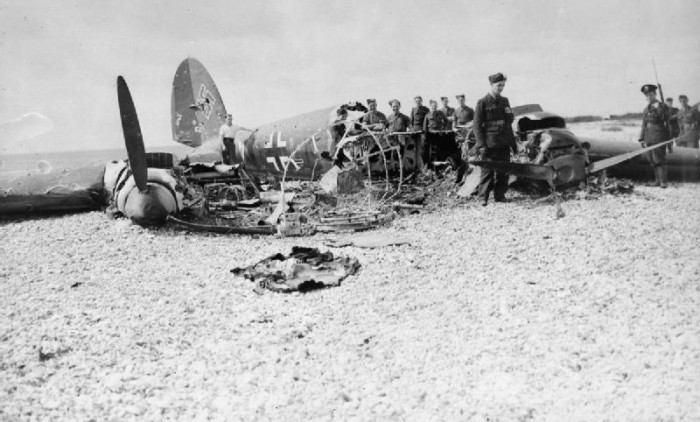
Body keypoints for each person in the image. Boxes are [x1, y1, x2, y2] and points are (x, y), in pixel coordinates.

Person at [472, 73, 517, 206]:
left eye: (503, 85)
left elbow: (509, 123)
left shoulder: (505, 101)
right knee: (487, 171)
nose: (501, 88)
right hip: (490, 143)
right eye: (499, 85)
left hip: (503, 142)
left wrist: (513, 144)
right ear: (492, 85)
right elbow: (476, 125)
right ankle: (483, 198)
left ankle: (500, 195)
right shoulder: (483, 102)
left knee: (503, 171)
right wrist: (481, 144)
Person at [638, 84, 671, 188]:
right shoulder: (646, 109)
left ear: (655, 94)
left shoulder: (662, 106)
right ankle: (657, 181)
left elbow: (665, 118)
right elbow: (644, 124)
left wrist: (659, 108)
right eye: (647, 96)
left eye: (651, 95)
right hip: (648, 136)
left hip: (659, 135)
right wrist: (641, 138)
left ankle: (663, 182)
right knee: (651, 159)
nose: (649, 97)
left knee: (659, 159)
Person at [453, 94, 475, 183]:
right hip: (460, 134)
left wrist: (469, 125)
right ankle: (462, 176)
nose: (460, 102)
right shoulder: (456, 111)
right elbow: (454, 122)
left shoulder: (470, 110)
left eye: (462, 100)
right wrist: (454, 128)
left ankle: (468, 175)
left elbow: (474, 121)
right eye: (459, 101)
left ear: (464, 100)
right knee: (462, 155)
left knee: (469, 154)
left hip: (469, 133)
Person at [386, 100, 412, 169]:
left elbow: (410, 128)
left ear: (399, 106)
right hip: (391, 138)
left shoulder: (404, 117)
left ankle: (400, 168)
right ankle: (391, 168)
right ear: (391, 107)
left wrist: (409, 132)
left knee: (400, 153)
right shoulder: (388, 118)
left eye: (397, 106)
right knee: (389, 151)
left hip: (401, 138)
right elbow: (384, 128)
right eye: (393, 106)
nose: (395, 108)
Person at [410, 96, 430, 168]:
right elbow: (411, 121)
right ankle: (415, 165)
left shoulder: (426, 109)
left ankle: (424, 165)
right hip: (414, 131)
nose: (418, 102)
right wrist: (411, 130)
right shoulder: (413, 110)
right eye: (416, 101)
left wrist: (424, 131)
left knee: (422, 149)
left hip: (422, 131)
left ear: (421, 101)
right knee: (413, 149)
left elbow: (428, 120)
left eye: (419, 101)